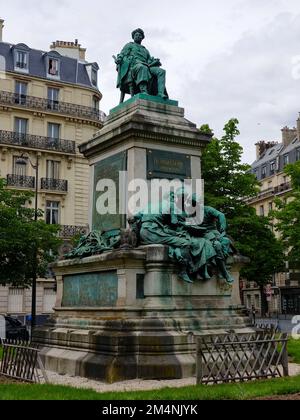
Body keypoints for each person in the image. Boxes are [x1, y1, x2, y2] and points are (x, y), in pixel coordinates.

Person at [114, 28, 168, 103]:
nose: (138, 36)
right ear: (133, 37)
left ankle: (160, 93)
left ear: (142, 38)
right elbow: (122, 54)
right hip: (134, 66)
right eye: (136, 35)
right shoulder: (129, 45)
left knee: (161, 71)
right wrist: (119, 59)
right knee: (142, 67)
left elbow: (149, 59)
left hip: (148, 66)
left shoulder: (145, 50)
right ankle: (143, 91)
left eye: (140, 35)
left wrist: (155, 61)